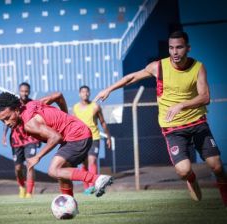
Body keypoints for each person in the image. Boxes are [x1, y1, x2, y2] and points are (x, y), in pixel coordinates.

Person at [94, 31, 227, 206]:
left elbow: (205, 97)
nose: (175, 52)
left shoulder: (198, 67)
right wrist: (109, 89)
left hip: (197, 123)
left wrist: (181, 105)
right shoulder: (159, 67)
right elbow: (131, 77)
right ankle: (191, 178)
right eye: (171, 48)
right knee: (183, 171)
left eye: (179, 47)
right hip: (173, 129)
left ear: (188, 48)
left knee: (217, 166)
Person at [0, 92, 113, 198]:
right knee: (62, 173)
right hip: (76, 134)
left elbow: (55, 137)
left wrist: (37, 157)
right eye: (3, 121)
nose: (6, 123)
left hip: (77, 136)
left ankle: (97, 179)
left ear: (17, 110)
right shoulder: (32, 104)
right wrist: (65, 115)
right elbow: (58, 96)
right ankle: (69, 203)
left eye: (8, 117)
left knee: (53, 170)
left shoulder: (29, 124)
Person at [1, 82, 39, 198]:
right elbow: (7, 120)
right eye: (22, 91)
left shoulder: (33, 104)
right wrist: (4, 136)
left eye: (26, 91)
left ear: (29, 91)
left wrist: (40, 137)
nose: (24, 93)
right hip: (16, 140)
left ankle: (29, 192)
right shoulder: (13, 104)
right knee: (18, 168)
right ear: (19, 91)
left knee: (30, 164)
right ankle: (21, 186)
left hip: (31, 138)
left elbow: (39, 120)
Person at [73, 85, 111, 195]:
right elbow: (74, 123)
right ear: (79, 94)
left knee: (92, 160)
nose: (85, 93)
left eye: (87, 92)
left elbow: (102, 122)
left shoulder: (95, 106)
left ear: (89, 93)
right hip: (80, 139)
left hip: (94, 138)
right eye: (83, 92)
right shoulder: (76, 107)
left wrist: (108, 137)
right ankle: (86, 188)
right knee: (84, 165)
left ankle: (92, 185)